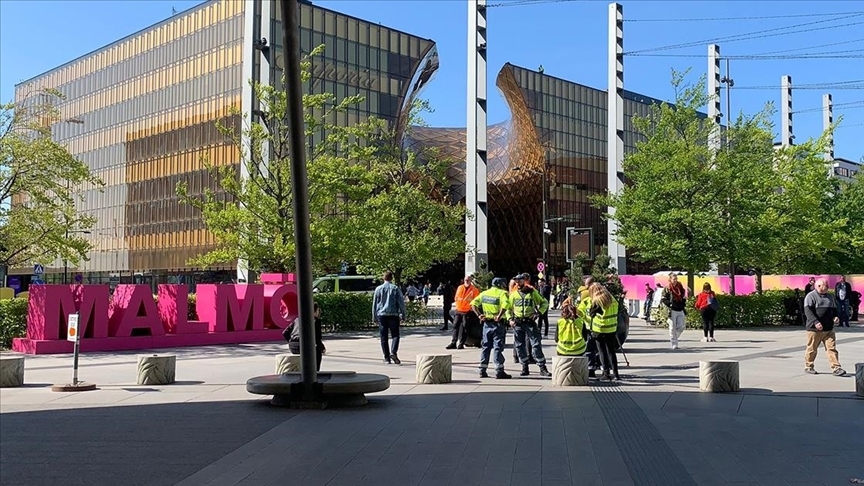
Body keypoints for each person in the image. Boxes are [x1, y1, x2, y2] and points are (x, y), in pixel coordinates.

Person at [508, 273, 551, 377]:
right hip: (518, 323)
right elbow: (508, 308)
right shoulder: (513, 295)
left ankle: (542, 367)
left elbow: (544, 302)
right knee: (519, 346)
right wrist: (510, 319)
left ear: (524, 281)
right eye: (516, 281)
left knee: (536, 345)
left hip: (529, 322)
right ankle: (524, 367)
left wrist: (538, 313)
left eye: (520, 281)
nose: (518, 283)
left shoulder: (532, 292)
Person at [803, 278, 846, 376]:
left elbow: (834, 310)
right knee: (812, 348)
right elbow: (808, 312)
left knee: (832, 349)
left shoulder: (830, 297)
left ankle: (836, 368)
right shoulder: (810, 296)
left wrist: (836, 317)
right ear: (818, 286)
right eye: (826, 286)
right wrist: (816, 322)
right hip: (814, 329)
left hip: (828, 329)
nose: (828, 287)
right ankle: (809, 366)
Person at [471, 277, 512, 379]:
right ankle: (499, 371)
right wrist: (499, 315)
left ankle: (482, 370)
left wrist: (479, 315)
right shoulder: (502, 293)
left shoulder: (485, 293)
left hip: (486, 324)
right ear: (500, 285)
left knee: (486, 347)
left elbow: (473, 303)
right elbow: (506, 305)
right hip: (498, 324)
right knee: (498, 347)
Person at [586, 283, 621, 381]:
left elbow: (591, 314)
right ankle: (616, 374)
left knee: (602, 352)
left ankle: (606, 374)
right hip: (611, 328)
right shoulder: (612, 299)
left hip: (599, 329)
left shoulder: (597, 301)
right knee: (611, 352)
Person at [373, 271, 406, 365]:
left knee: (383, 337)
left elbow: (374, 304)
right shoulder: (395, 288)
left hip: (381, 315)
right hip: (393, 315)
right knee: (395, 335)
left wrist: (374, 317)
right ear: (392, 278)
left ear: (383, 278)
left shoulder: (378, 289)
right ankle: (393, 352)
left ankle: (386, 358)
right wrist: (403, 314)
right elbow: (401, 303)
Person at [283, 302, 326, 371]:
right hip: (303, 346)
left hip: (292, 346)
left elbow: (285, 333)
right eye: (317, 310)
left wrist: (291, 341)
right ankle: (315, 372)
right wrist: (322, 348)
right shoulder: (315, 320)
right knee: (317, 353)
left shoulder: (297, 319)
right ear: (315, 311)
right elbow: (317, 338)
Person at [448, 274, 480, 350]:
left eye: (468, 280)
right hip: (458, 310)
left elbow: (477, 300)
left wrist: (472, 308)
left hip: (467, 312)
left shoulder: (474, 290)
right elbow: (456, 297)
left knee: (465, 327)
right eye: (465, 280)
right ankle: (453, 342)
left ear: (471, 281)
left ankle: (461, 344)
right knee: (455, 326)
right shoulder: (460, 287)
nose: (466, 281)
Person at [662, 273, 687, 349]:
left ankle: (675, 336)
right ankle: (674, 343)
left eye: (676, 278)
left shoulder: (680, 287)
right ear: (670, 279)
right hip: (672, 309)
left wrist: (683, 302)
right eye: (674, 279)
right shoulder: (667, 288)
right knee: (672, 327)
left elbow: (683, 296)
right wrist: (669, 304)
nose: (675, 280)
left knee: (681, 326)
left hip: (680, 308)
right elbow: (663, 298)